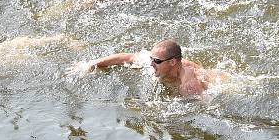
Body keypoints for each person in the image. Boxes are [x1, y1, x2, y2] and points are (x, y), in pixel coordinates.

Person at [66, 39, 227, 95]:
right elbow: (125, 57)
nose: (151, 64)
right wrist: (90, 65)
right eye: (151, 59)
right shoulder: (156, 63)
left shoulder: (189, 83)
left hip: (223, 84)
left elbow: (203, 106)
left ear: (172, 62)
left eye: (156, 61)